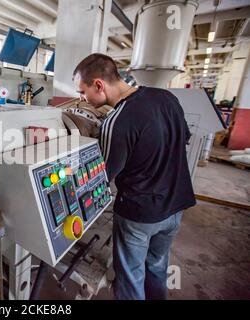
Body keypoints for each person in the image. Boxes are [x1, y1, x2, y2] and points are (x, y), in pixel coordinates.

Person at [72, 53, 196, 300]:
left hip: (140, 215)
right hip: (176, 207)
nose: (81, 98)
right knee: (157, 267)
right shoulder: (166, 98)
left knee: (130, 277)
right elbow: (183, 138)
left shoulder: (116, 120)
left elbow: (103, 175)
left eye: (83, 92)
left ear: (99, 84)